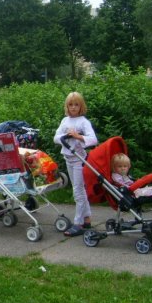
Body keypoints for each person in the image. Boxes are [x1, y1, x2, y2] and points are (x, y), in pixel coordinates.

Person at [53, 92, 98, 237]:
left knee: (78, 191)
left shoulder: (83, 121)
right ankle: (87, 218)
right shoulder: (65, 121)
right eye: (70, 105)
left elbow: (93, 139)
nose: (73, 108)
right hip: (68, 157)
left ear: (81, 106)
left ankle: (78, 222)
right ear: (67, 106)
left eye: (76, 105)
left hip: (79, 158)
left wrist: (79, 136)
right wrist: (66, 136)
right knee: (78, 189)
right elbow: (56, 137)